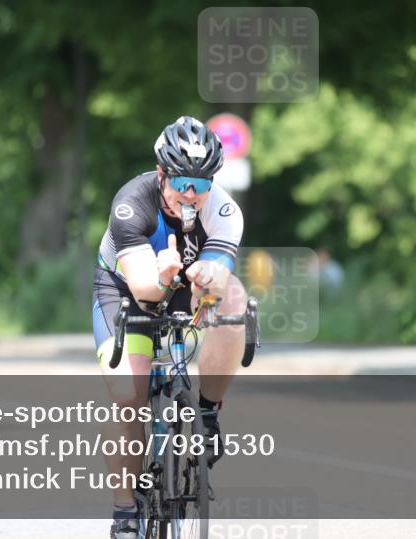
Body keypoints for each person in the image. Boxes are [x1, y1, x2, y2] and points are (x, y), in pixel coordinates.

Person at [93, 116, 246, 539]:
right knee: (129, 396)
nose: (191, 194)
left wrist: (208, 286)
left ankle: (207, 413)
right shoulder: (132, 201)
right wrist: (163, 276)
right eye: (182, 182)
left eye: (202, 182)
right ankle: (125, 510)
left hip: (184, 287)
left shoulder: (223, 210)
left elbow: (217, 278)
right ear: (161, 174)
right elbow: (143, 287)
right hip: (125, 289)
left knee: (232, 298)